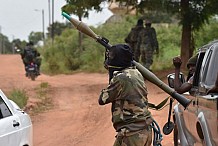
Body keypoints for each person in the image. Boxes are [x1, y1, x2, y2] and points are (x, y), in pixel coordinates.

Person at [99, 44, 153, 146]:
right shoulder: (135, 72)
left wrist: (111, 71)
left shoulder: (121, 78)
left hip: (132, 134)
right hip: (143, 129)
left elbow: (102, 99)